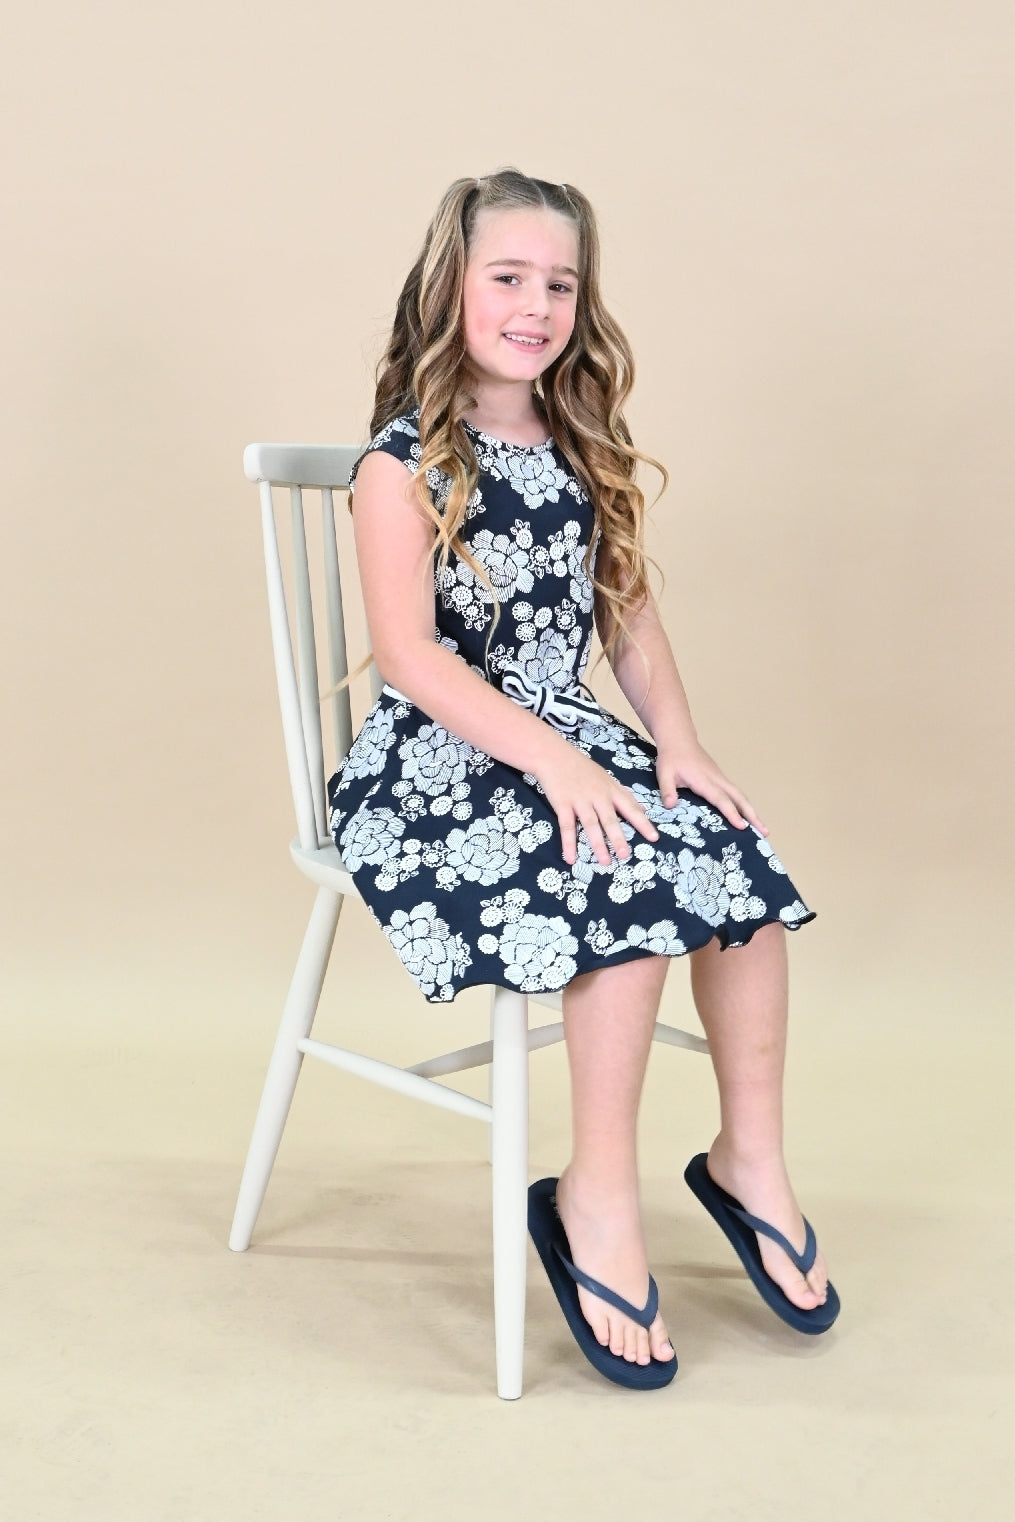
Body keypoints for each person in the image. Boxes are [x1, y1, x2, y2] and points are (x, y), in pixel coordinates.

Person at [326, 167, 838, 1390]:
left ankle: (747, 1160)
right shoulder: (402, 463)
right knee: (626, 875)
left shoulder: (577, 447)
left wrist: (679, 741)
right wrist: (553, 756)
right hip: (438, 761)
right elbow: (410, 657)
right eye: (507, 276)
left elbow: (629, 615)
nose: (536, 305)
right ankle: (594, 1192)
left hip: (568, 735)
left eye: (559, 284)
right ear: (448, 286)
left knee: (736, 864)